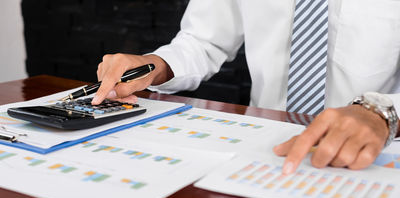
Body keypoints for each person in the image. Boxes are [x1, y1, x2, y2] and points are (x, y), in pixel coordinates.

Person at [91, 0, 400, 174]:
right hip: (265, 149)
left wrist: (381, 114)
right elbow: (204, 40)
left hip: (370, 158)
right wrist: (156, 66)